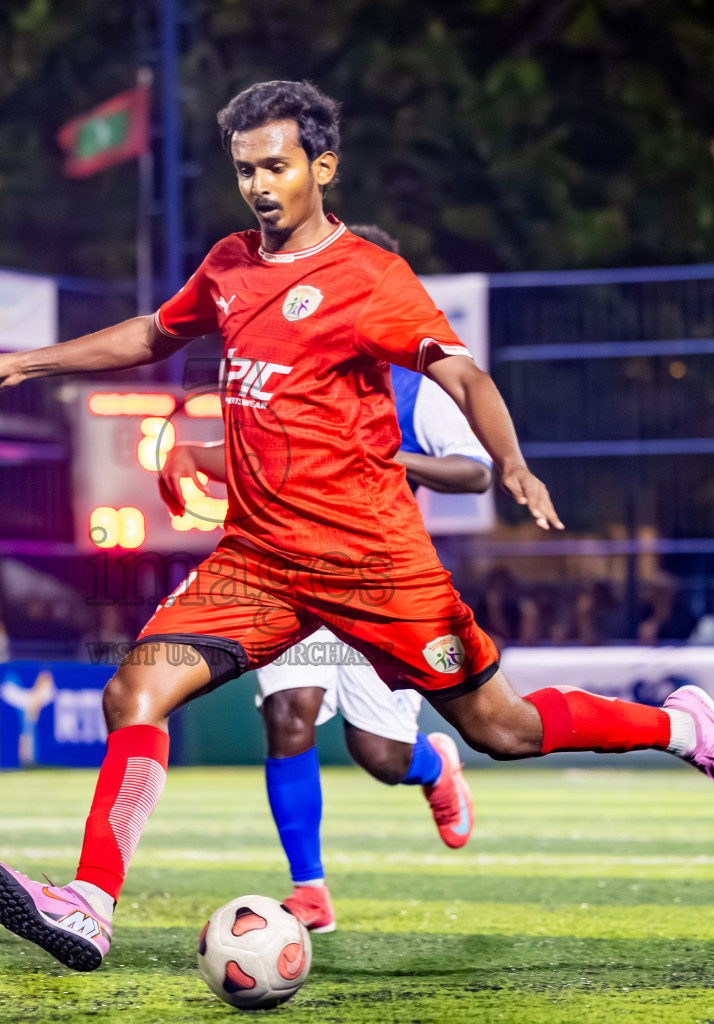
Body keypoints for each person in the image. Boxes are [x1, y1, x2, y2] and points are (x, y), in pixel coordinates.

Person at [0, 80, 714, 973]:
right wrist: (21, 364)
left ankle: (684, 728)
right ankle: (91, 904)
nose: (260, 185)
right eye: (245, 169)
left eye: (277, 166)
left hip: (375, 563)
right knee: (133, 692)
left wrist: (515, 462)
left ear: (321, 167)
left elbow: (463, 376)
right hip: (258, 563)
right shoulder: (228, 265)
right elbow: (153, 332)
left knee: (500, 730)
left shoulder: (369, 278)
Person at [155, 223, 490, 933]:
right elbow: (249, 451)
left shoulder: (416, 384)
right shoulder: (283, 374)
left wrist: (395, 461)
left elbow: (476, 470)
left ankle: (431, 767)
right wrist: (191, 456)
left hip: (377, 576)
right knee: (289, 714)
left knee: (380, 755)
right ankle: (309, 890)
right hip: (286, 569)